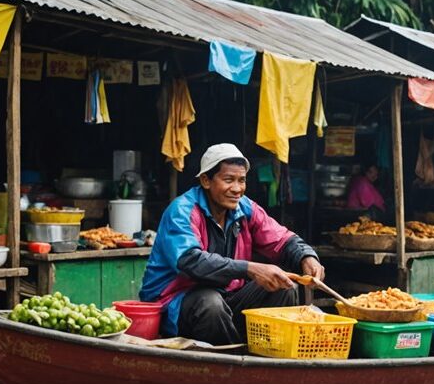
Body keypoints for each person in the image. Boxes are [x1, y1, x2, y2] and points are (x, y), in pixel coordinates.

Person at [139, 144, 325, 345]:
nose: (237, 189)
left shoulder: (245, 207)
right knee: (209, 303)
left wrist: (307, 257)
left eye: (241, 180)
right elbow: (190, 261)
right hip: (173, 305)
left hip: (226, 298)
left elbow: (282, 239)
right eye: (229, 180)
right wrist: (250, 269)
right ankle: (235, 359)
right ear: (206, 180)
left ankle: (266, 354)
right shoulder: (182, 211)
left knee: (284, 287)